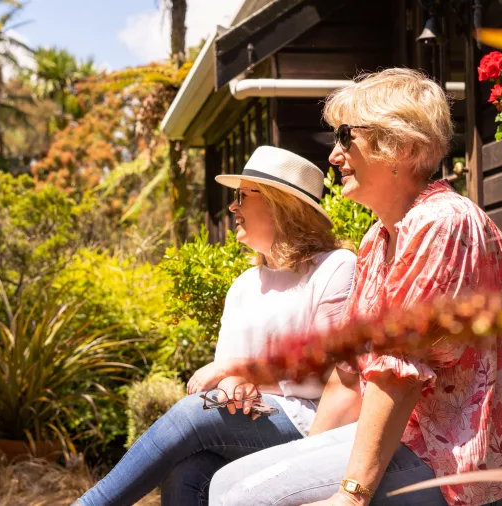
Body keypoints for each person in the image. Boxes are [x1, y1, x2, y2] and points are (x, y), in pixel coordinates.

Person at [209, 68, 502, 506]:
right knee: (224, 486)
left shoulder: (443, 222)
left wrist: (351, 495)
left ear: (401, 145)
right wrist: (303, 458)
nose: (334, 155)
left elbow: (398, 376)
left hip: (463, 458)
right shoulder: (379, 239)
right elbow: (350, 376)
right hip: (412, 438)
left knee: (246, 500)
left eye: (346, 136)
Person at [76, 146, 359, 506]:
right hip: (251, 417)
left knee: (194, 413)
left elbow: (330, 376)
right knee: (186, 472)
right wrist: (234, 386)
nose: (232, 208)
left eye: (241, 196)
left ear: (279, 204)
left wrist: (235, 372)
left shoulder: (335, 268)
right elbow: (225, 376)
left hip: (314, 423)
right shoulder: (243, 285)